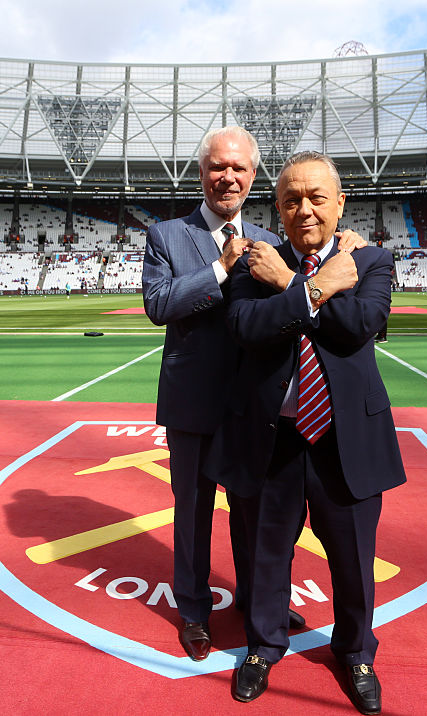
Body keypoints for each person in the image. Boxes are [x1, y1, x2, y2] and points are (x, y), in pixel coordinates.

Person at [142, 127, 365, 663]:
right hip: (195, 401)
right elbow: (158, 304)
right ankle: (194, 611)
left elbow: (315, 268)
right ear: (202, 171)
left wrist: (348, 245)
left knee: (253, 513)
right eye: (219, 166)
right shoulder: (167, 235)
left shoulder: (274, 233)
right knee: (192, 510)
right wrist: (221, 268)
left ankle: (255, 599)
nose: (229, 177)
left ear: (253, 176)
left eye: (240, 169)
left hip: (255, 404)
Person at [206, 151, 407, 714]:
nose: (305, 209)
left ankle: (357, 652)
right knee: (267, 554)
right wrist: (314, 287)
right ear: (278, 207)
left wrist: (292, 287)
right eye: (291, 199)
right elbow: (247, 327)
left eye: (317, 197)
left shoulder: (370, 262)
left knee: (353, 558)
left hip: (345, 439)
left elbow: (359, 327)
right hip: (275, 438)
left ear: (340, 203)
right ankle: (264, 645)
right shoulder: (252, 265)